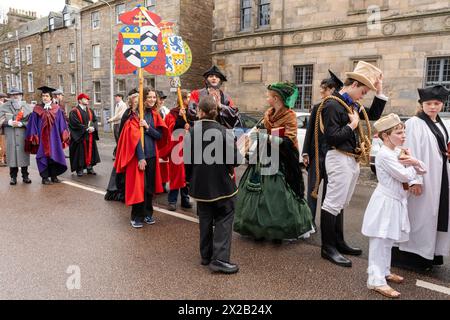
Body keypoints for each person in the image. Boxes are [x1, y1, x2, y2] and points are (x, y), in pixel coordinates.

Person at [318, 61, 387, 267]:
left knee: (340, 203)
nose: (363, 96)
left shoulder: (349, 104)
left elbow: (373, 115)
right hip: (338, 157)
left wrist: (379, 92)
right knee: (332, 203)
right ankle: (327, 248)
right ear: (354, 85)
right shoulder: (332, 104)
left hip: (350, 158)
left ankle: (338, 242)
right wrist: (352, 125)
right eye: (363, 91)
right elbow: (332, 137)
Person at [234, 82, 314, 242]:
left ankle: (279, 228)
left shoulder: (289, 115)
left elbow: (289, 140)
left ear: (276, 98)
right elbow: (260, 129)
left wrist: (265, 137)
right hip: (263, 156)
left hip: (282, 159)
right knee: (257, 191)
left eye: (268, 96)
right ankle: (256, 227)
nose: (266, 98)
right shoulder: (268, 113)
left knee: (279, 194)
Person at [362, 113, 426, 298]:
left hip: (396, 200)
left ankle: (385, 271)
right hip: (385, 201)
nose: (403, 136)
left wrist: (413, 165)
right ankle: (375, 280)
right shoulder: (384, 154)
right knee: (380, 240)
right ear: (385, 136)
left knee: (388, 240)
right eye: (398, 133)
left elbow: (422, 170)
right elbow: (406, 176)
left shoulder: (397, 152)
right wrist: (413, 164)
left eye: (403, 132)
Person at [391, 85, 450, 272]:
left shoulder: (441, 123)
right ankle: (410, 258)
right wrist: (415, 180)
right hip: (422, 178)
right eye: (429, 103)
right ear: (421, 104)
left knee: (433, 216)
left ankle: (430, 254)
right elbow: (408, 151)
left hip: (438, 177)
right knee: (419, 217)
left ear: (442, 104)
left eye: (437, 103)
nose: (433, 107)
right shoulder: (415, 124)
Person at [184, 96, 241, 273]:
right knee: (224, 219)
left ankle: (206, 255)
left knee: (205, 219)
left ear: (200, 112)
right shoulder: (223, 131)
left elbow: (187, 161)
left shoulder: (192, 131)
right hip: (222, 185)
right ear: (216, 112)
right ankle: (220, 259)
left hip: (200, 186)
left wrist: (189, 180)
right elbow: (236, 160)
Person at [114, 88, 169, 228]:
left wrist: (147, 127)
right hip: (139, 158)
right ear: (143, 99)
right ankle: (136, 216)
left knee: (149, 188)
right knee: (139, 188)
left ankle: (148, 213)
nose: (152, 99)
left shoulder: (155, 115)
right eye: (149, 97)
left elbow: (159, 136)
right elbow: (135, 139)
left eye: (154, 97)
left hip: (152, 156)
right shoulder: (135, 116)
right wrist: (140, 157)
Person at [302, 70, 343, 225]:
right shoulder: (317, 107)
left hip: (333, 156)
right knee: (312, 192)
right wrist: (306, 152)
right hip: (317, 154)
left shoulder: (341, 108)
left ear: (333, 90)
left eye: (324, 88)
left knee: (329, 194)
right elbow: (310, 130)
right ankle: (309, 223)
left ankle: (327, 225)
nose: (321, 91)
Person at [25, 86, 69, 185]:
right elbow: (33, 124)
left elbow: (62, 123)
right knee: (43, 156)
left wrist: (64, 134)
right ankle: (45, 178)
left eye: (46, 96)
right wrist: (34, 136)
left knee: (55, 155)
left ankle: (54, 176)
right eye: (43, 96)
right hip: (42, 138)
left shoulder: (57, 109)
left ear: (50, 97)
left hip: (55, 138)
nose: (44, 98)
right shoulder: (37, 110)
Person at [105, 92, 139, 202]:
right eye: (135, 101)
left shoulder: (141, 113)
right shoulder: (127, 113)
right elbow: (122, 131)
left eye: (138, 101)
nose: (137, 103)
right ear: (131, 102)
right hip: (127, 144)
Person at [164, 89, 193, 211]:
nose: (189, 100)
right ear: (181, 99)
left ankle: (185, 199)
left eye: (190, 97)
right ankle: (172, 200)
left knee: (186, 175)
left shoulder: (191, 112)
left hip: (188, 147)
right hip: (177, 148)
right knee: (177, 175)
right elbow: (171, 130)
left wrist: (189, 126)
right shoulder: (172, 113)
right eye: (187, 98)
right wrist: (180, 119)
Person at [0, 88, 33, 185]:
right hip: (10, 135)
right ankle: (13, 177)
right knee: (12, 156)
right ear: (9, 96)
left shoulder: (27, 107)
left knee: (23, 156)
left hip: (23, 135)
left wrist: (21, 124)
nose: (15, 96)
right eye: (13, 94)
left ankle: (25, 176)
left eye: (17, 94)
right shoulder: (3, 107)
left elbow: (31, 122)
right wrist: (8, 122)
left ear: (21, 95)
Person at [68, 93, 101, 177]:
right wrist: (86, 128)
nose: (87, 100)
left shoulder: (90, 110)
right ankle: (80, 169)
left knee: (91, 151)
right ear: (80, 100)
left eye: (87, 99)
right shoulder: (74, 111)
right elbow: (74, 123)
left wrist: (93, 128)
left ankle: (89, 167)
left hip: (89, 136)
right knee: (80, 153)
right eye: (85, 99)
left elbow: (95, 120)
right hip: (80, 136)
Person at [0, 92, 7, 166]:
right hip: (2, 128)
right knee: (3, 144)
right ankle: (2, 160)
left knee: (2, 144)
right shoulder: (3, 106)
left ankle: (3, 159)